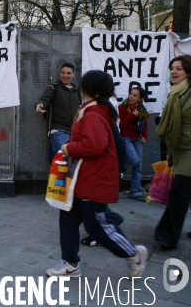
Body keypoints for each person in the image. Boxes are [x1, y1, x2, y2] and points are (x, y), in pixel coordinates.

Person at [46, 70, 147, 278]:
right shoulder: (94, 110)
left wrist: (69, 149)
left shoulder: (94, 114)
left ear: (87, 89)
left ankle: (133, 254)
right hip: (82, 179)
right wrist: (71, 145)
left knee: (97, 227)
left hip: (93, 180)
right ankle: (70, 262)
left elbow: (95, 145)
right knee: (67, 218)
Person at [155, 55, 191, 249]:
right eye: (172, 68)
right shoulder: (176, 93)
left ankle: (167, 236)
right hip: (179, 148)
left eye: (179, 69)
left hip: (190, 149)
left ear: (188, 72)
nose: (174, 72)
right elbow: (172, 126)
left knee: (179, 191)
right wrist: (170, 151)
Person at [35, 63, 80, 161]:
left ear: (73, 75)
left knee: (73, 157)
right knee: (64, 155)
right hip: (58, 129)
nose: (65, 75)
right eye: (63, 73)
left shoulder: (78, 91)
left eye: (68, 73)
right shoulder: (53, 88)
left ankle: (53, 154)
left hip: (75, 131)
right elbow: (43, 100)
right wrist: (39, 105)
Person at [118, 87, 149, 201]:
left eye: (135, 95)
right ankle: (118, 159)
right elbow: (121, 125)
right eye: (131, 94)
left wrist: (145, 137)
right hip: (126, 137)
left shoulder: (142, 109)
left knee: (138, 165)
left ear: (140, 98)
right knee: (135, 160)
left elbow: (145, 125)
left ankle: (135, 191)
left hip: (137, 138)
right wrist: (132, 115)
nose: (131, 97)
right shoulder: (122, 107)